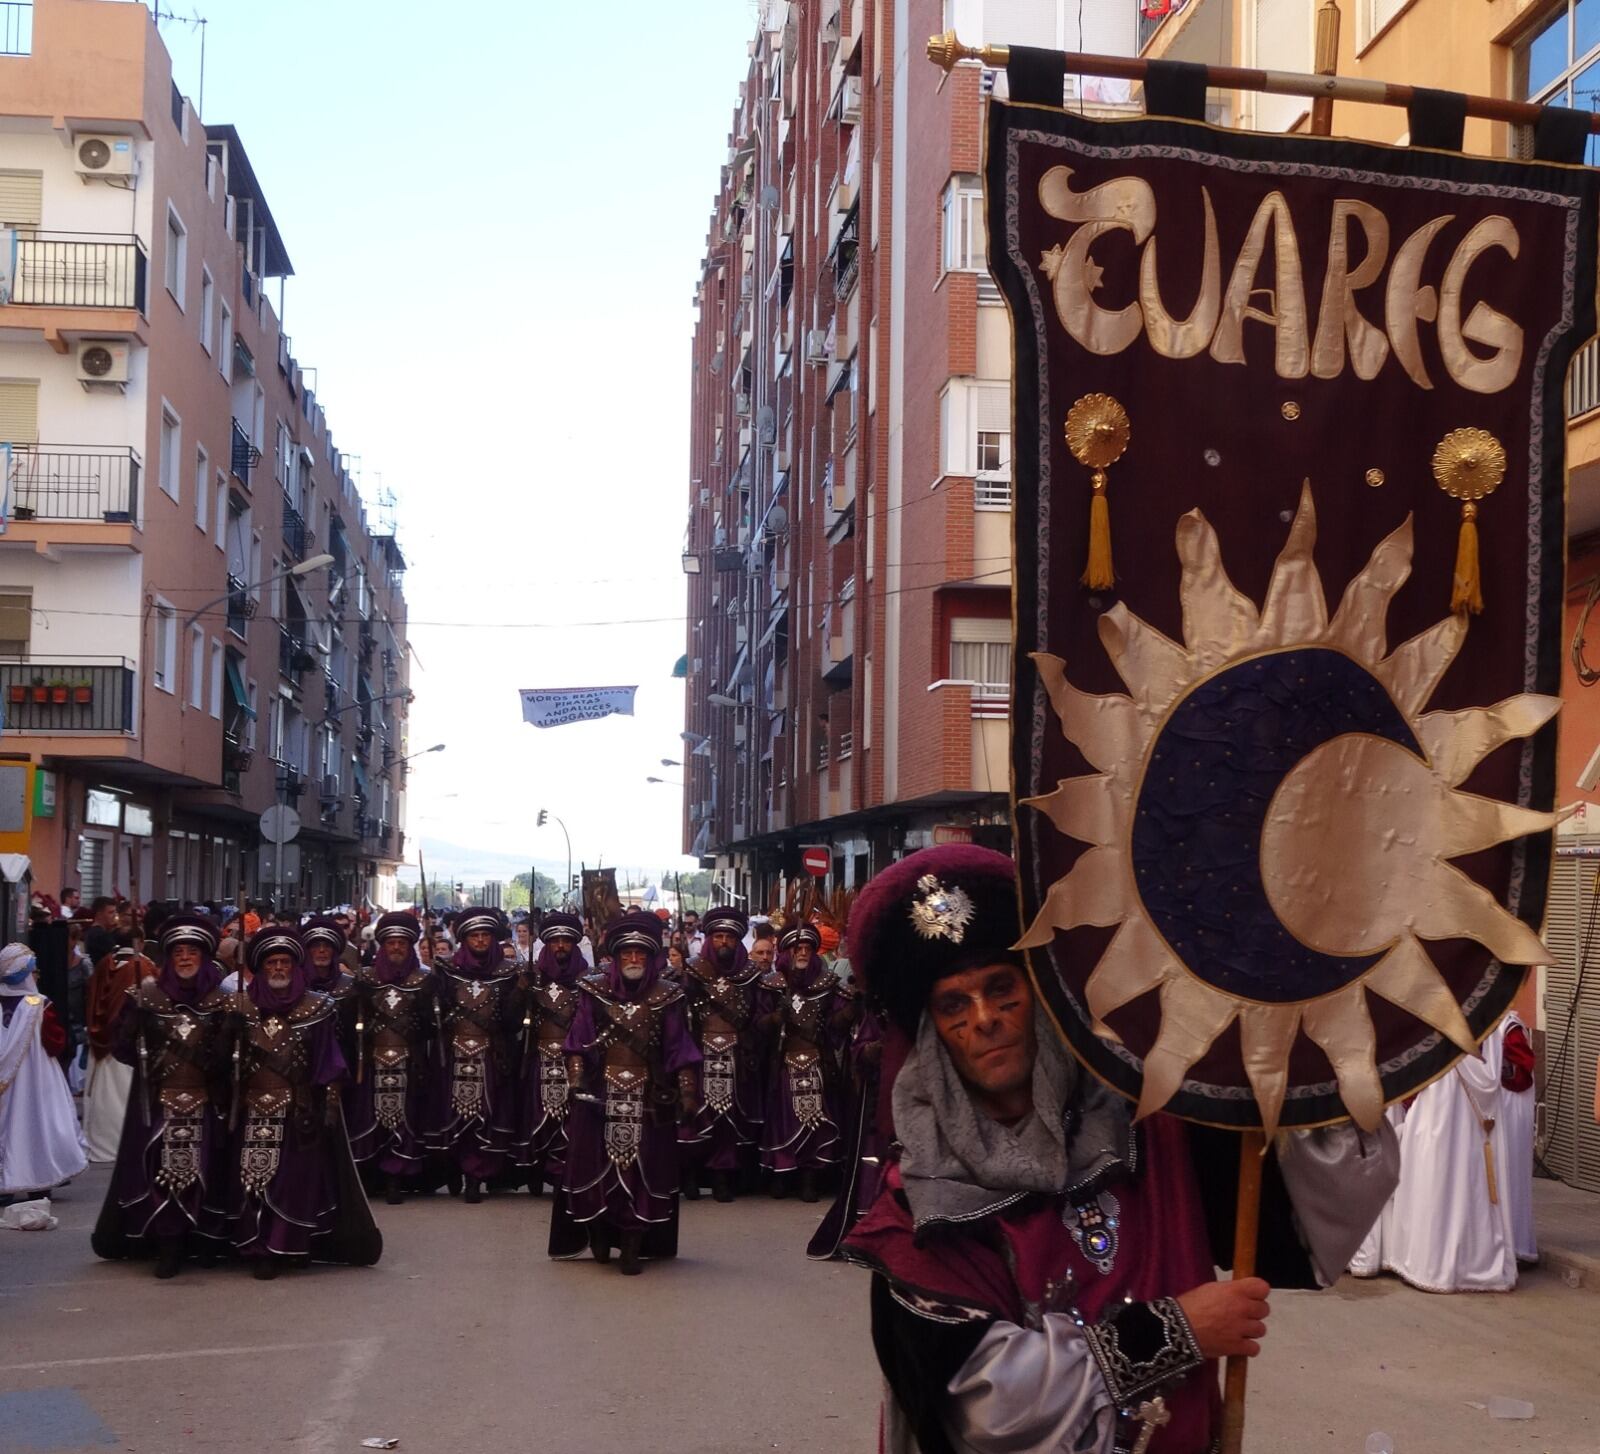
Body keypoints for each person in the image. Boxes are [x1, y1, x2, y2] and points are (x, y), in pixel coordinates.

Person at [834, 846, 1399, 1453]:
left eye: (1002, 990)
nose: (985, 1018)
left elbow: (1299, 1224)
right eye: (954, 1005)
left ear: (1042, 1000)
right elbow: (985, 1411)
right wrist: (1178, 1331)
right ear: (933, 1036)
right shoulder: (918, 1208)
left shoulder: (1150, 1124)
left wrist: (1304, 1041)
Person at [549, 912, 700, 1276]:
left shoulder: (668, 996)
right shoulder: (593, 991)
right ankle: (599, 1231)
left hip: (649, 1094)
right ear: (616, 957)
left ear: (650, 957)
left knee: (644, 1171)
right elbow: (577, 1042)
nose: (634, 959)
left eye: (640, 953)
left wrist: (688, 1094)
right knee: (594, 1168)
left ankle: (633, 1242)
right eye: (627, 953)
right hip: (599, 1094)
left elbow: (679, 1048)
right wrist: (576, 1082)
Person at [227, 926, 380, 1279]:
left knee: (294, 1182)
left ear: (295, 966)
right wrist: (227, 1036)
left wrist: (328, 1107)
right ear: (260, 968)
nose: (278, 968)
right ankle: (257, 1247)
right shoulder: (239, 1006)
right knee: (252, 1180)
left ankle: (289, 1244)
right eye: (271, 963)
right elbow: (224, 1065)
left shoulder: (317, 1007)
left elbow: (329, 1060)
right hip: (252, 1107)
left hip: (299, 1109)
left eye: (284, 962)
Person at [90, 915, 229, 1276]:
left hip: (207, 1099)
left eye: (191, 952)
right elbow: (122, 1048)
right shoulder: (145, 996)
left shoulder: (224, 1000)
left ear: (204, 956)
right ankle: (168, 1243)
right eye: (178, 952)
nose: (185, 958)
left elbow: (234, 1056)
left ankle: (205, 1241)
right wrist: (134, 1030)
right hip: (158, 1100)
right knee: (158, 1172)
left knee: (209, 1170)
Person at [428, 906, 519, 1203]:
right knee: (454, 1112)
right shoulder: (447, 970)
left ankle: (476, 1174)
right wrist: (432, 990)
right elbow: (434, 1014)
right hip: (454, 1052)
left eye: (485, 935)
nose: (480, 940)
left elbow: (513, 1021)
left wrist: (521, 993)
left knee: (486, 1115)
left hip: (492, 1054)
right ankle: (454, 1165)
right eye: (474, 936)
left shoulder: (508, 972)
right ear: (464, 939)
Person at [679, 904, 765, 1203]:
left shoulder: (750, 973)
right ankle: (689, 1175)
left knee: (728, 1118)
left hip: (735, 1054)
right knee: (694, 1116)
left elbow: (755, 1015)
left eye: (729, 936)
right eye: (718, 936)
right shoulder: (693, 969)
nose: (724, 942)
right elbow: (682, 1016)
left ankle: (722, 1177)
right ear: (709, 938)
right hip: (699, 1052)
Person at [347, 911, 435, 1205]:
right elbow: (350, 1024)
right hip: (372, 1061)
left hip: (409, 1060)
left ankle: (396, 1176)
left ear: (410, 946)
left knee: (404, 1119)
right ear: (382, 946)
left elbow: (432, 1027)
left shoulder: (423, 979)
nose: (396, 947)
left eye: (402, 943)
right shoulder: (366, 977)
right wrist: (355, 998)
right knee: (369, 1118)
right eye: (391, 943)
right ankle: (371, 1176)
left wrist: (431, 1001)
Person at [759, 923, 847, 1202]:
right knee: (783, 1121)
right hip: (784, 1064)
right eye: (798, 948)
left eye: (808, 948)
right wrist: (776, 1018)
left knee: (815, 1122)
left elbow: (836, 1022)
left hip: (817, 1061)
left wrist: (851, 1011)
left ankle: (810, 1178)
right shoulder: (773, 984)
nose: (803, 952)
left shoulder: (826, 983)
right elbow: (757, 1024)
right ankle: (782, 1175)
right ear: (788, 951)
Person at [0, 943, 86, 1201]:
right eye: (34, 971)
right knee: (37, 1122)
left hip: (4, 1082)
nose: (37, 975)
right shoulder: (39, 1005)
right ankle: (39, 1181)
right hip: (37, 1079)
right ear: (25, 974)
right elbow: (55, 1043)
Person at [514, 910, 586, 1195]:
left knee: (572, 1120)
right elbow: (511, 1019)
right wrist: (520, 992)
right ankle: (536, 1170)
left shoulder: (588, 979)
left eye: (566, 941)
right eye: (555, 941)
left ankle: (563, 1174)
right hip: (539, 1056)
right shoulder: (533, 976)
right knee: (537, 1116)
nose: (560, 946)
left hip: (575, 1059)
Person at [81, 912, 162, 1163]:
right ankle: (123, 1145)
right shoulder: (142, 967)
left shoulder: (105, 963)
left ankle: (99, 1142)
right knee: (125, 1097)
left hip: (102, 1041)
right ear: (140, 942)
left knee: (104, 1097)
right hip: (128, 1044)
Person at [1498, 1011, 1537, 1266]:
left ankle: (1516, 1244)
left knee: (1511, 1175)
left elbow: (1521, 1074)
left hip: (1511, 1110)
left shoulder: (1509, 1028)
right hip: (1500, 1108)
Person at [302, 915, 359, 1066]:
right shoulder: (297, 985)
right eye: (316, 946)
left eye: (327, 946)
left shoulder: (349, 986)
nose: (322, 951)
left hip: (343, 1058)